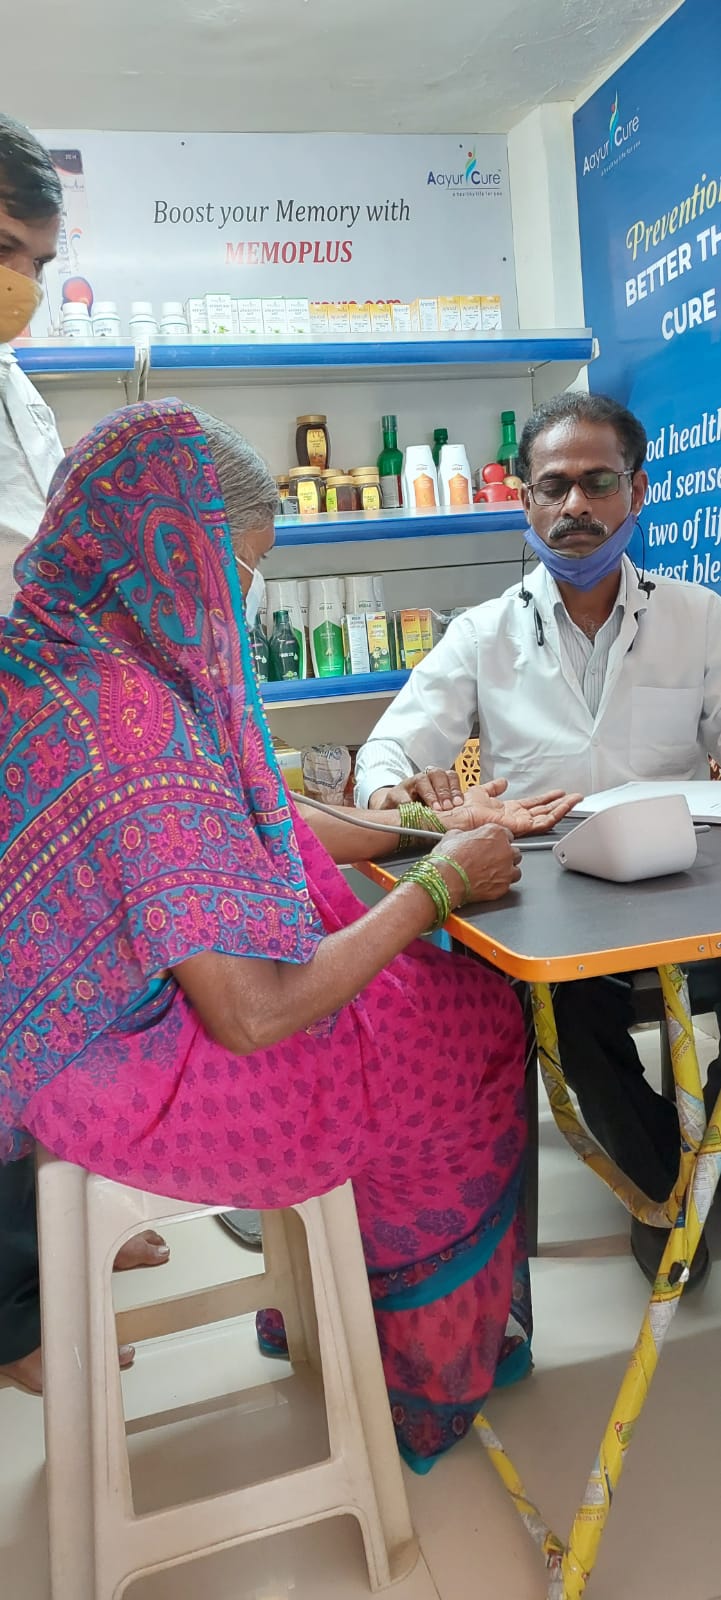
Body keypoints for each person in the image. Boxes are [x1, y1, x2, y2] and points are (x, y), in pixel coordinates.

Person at [0, 397, 581, 1468]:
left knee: (426, 988)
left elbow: (258, 818)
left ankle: (327, 1303)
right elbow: (255, 1015)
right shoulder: (132, 723)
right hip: (150, 1077)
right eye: (247, 564)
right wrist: (436, 889)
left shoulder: (53, 655)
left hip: (73, 1051)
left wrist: (428, 828)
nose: (246, 592)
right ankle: (415, 1362)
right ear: (180, 547)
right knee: (475, 1024)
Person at [355, 389, 721, 1288]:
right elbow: (386, 755)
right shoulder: (481, 635)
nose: (575, 506)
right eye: (553, 486)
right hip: (548, 902)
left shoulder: (698, 617)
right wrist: (402, 791)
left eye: (598, 482)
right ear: (524, 500)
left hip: (682, 883)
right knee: (574, 1019)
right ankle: (670, 1191)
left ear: (638, 491)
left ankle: (701, 1152)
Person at [0, 117, 168, 1399]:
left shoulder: (14, 384)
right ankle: (17, 1316)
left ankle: (79, 1213)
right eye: (7, 250)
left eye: (39, 263)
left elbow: (57, 537)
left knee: (64, 999)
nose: (24, 283)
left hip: (38, 729)